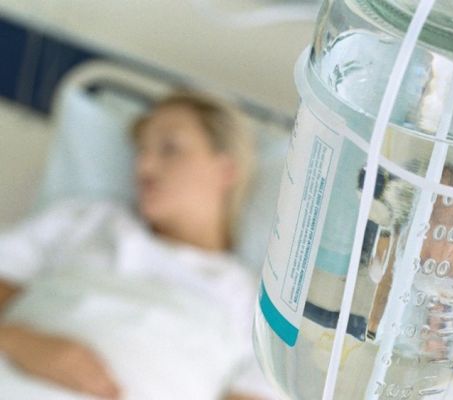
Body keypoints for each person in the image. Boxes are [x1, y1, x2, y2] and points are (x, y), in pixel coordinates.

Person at [0, 93, 275, 400]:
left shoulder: (252, 299)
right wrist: (18, 340)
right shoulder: (86, 221)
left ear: (226, 169)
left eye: (169, 149)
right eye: (140, 150)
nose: (144, 166)